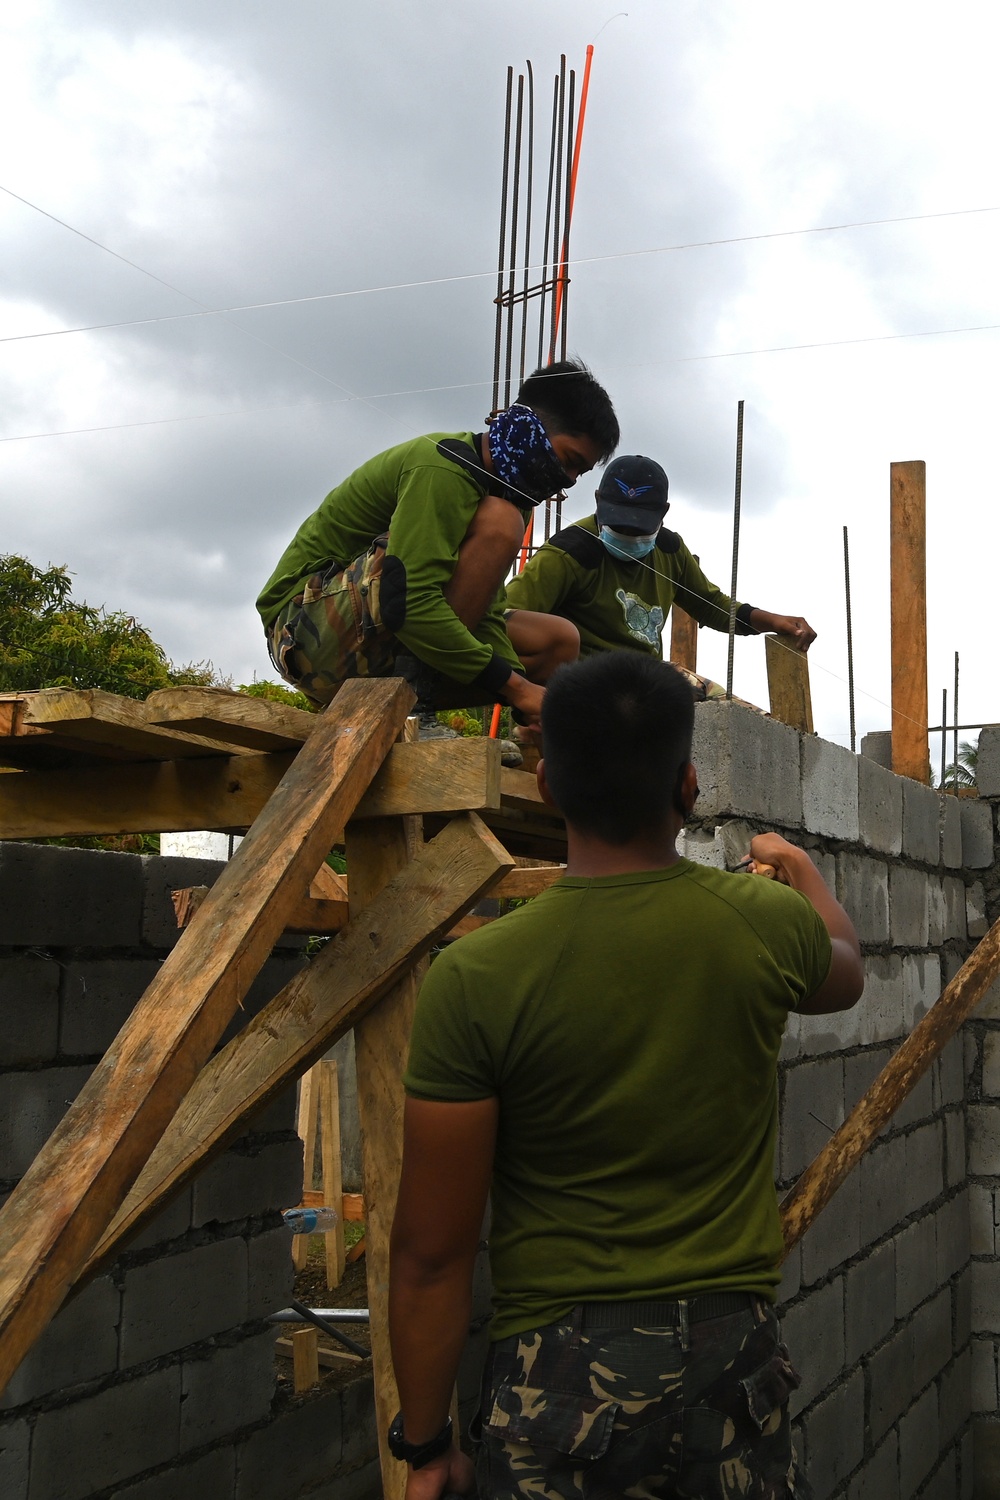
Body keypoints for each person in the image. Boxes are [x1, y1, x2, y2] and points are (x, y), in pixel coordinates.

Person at [388, 651, 864, 1499]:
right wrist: (797, 868)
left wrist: (426, 1445)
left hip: (561, 1386)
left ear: (546, 786)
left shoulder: (477, 976)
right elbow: (845, 970)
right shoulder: (758, 923)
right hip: (734, 1367)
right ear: (686, 786)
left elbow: (432, 1254)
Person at [255, 360, 619, 727]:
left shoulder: (511, 500)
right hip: (303, 634)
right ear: (530, 427)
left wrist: (524, 695)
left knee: (556, 642)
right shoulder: (443, 469)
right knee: (500, 521)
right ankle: (416, 711)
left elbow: (486, 614)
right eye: (569, 460)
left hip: (377, 630)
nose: (568, 480)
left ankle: (539, 758)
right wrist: (517, 688)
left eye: (579, 473)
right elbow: (409, 602)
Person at [504, 454, 816, 698]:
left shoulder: (670, 551)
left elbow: (711, 604)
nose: (628, 534)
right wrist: (528, 693)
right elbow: (503, 619)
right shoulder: (567, 555)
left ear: (663, 513)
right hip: (587, 682)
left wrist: (771, 621)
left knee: (728, 712)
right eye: (619, 525)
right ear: (598, 501)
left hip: (647, 678)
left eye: (638, 527)